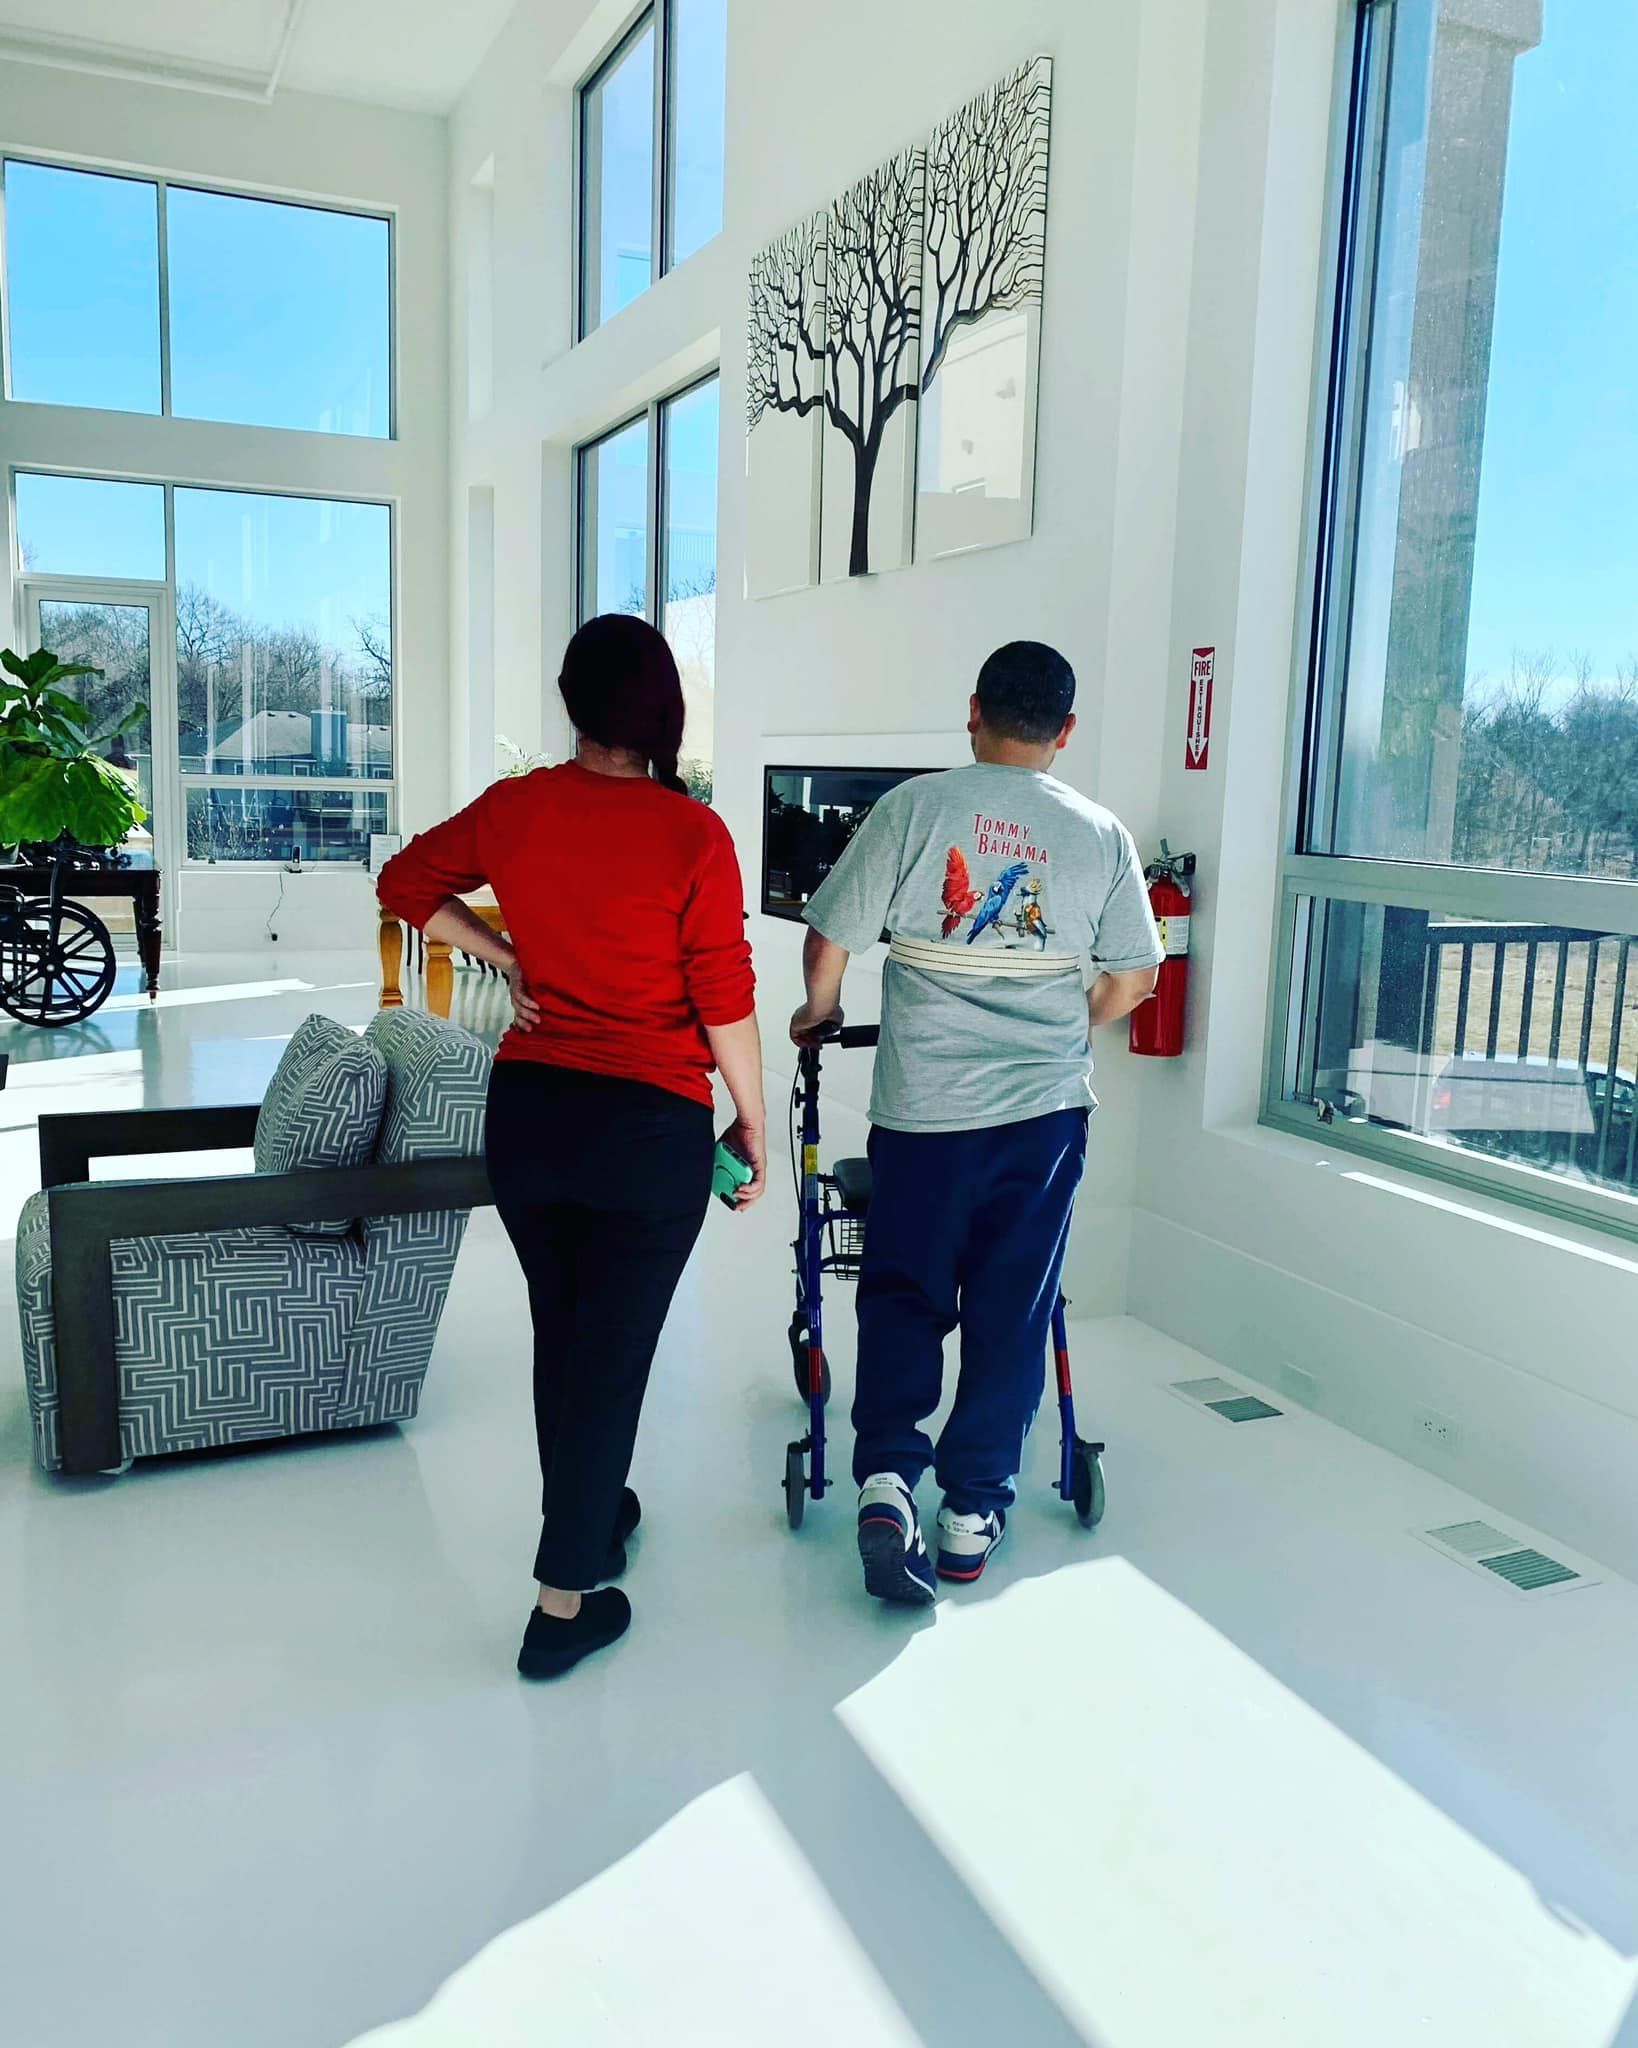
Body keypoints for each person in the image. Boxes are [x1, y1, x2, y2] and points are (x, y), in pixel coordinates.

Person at [378, 615, 766, 1678]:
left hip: (533, 1118)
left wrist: (503, 954)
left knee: (569, 1335)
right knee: (612, 1354)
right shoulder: (693, 835)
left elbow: (404, 883)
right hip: (646, 1130)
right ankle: (563, 1603)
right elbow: (723, 994)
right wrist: (751, 1119)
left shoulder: (517, 808)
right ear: (662, 712)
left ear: (571, 701)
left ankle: (594, 1514)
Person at [790, 641, 1162, 1604]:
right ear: (1065, 730)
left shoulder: (914, 808)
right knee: (1012, 1305)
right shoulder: (1099, 833)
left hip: (923, 1112)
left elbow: (829, 937)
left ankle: (886, 1481)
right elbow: (1135, 978)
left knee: (903, 1289)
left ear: (973, 712)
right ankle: (970, 1514)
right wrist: (1065, 1026)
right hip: (1042, 1119)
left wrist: (819, 1012)